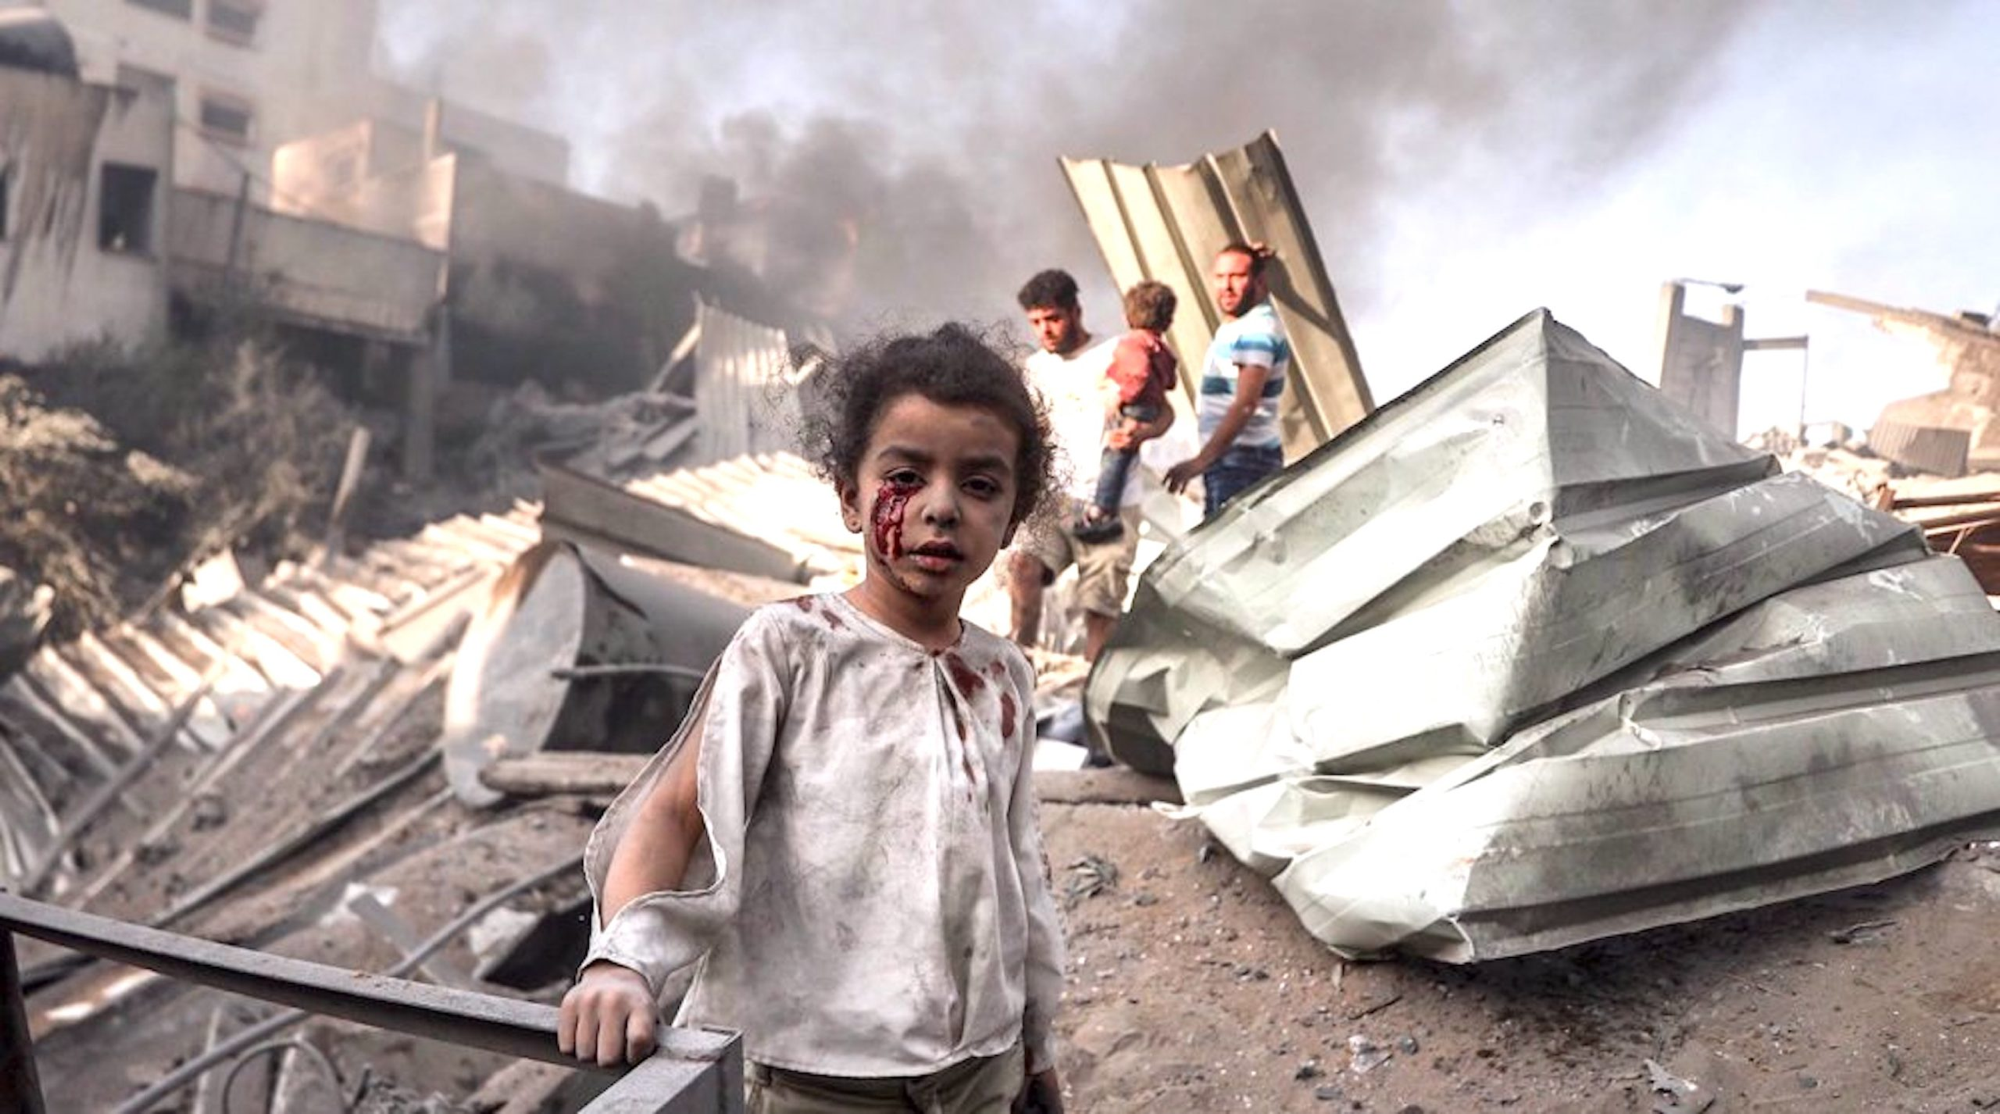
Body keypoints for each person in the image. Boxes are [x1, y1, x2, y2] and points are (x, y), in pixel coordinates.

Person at [557, 324, 1068, 1114]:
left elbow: (1017, 867)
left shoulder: (1003, 676)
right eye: (905, 475)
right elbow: (671, 814)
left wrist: (1035, 1044)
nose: (940, 508)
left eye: (979, 484)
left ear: (1011, 515)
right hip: (813, 1078)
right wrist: (621, 962)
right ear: (850, 497)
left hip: (979, 1074)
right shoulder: (790, 648)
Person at [1010, 269, 1174, 665]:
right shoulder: (1035, 369)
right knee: (1023, 570)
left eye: (1053, 318)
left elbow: (1164, 413)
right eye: (1036, 322)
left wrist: (1140, 433)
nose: (1045, 330)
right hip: (1056, 499)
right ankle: (1017, 664)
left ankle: (1087, 694)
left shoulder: (1117, 352)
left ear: (1075, 311)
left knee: (1099, 609)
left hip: (1111, 503)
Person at [1165, 243, 1291, 519]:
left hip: (1240, 462)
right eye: (1220, 277)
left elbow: (1245, 404)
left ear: (1258, 280)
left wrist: (1202, 460)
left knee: (1234, 553)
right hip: (1239, 459)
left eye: (1237, 276)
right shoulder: (1249, 319)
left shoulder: (1255, 331)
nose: (1227, 286)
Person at [1073, 281, 1178, 543]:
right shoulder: (1160, 347)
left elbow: (1139, 374)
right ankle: (1104, 509)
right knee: (1122, 455)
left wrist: (1120, 397)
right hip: (1149, 407)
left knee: (1115, 455)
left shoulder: (1133, 343)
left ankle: (1101, 510)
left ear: (1129, 315)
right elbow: (1170, 381)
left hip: (1135, 407)